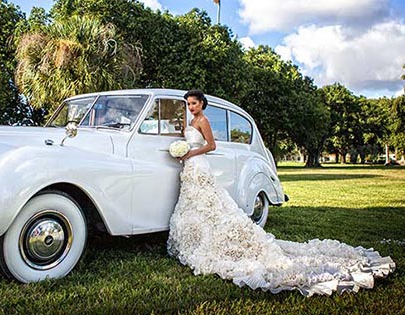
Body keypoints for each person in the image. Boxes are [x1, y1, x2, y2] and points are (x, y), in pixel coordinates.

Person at [167, 89, 395, 296]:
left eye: (194, 103)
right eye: (188, 104)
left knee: (208, 201)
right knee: (194, 203)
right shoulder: (191, 120)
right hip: (190, 167)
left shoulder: (203, 121)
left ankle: (215, 240)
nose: (191, 107)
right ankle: (197, 236)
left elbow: (211, 146)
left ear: (202, 104)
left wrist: (190, 153)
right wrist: (182, 150)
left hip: (198, 164)